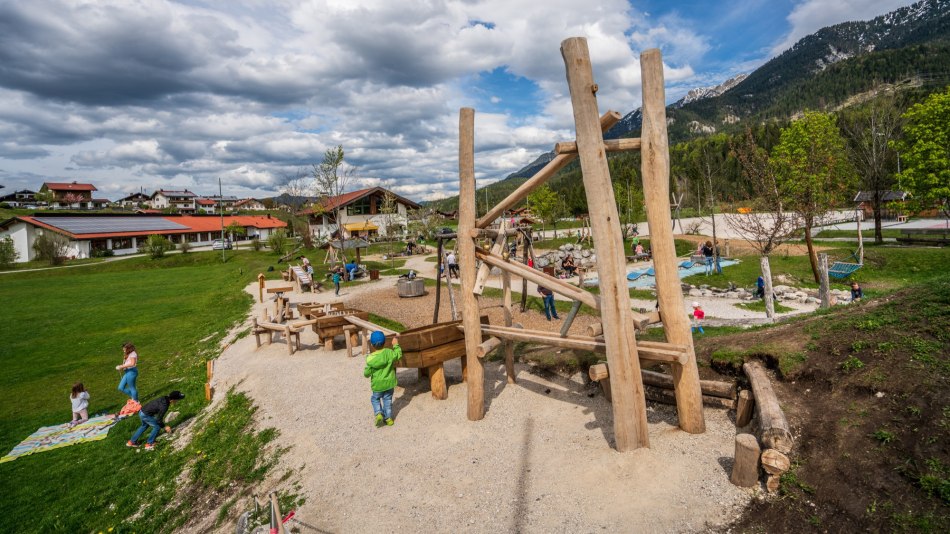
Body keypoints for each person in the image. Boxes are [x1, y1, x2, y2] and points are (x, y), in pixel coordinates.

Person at [363, 331, 402, 427]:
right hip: (389, 384)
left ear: (372, 345)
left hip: (377, 386)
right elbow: (398, 355)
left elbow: (366, 374)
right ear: (384, 342)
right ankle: (388, 418)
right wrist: (396, 345)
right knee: (387, 400)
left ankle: (379, 413)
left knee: (375, 399)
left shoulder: (371, 359)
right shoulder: (389, 353)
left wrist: (368, 370)